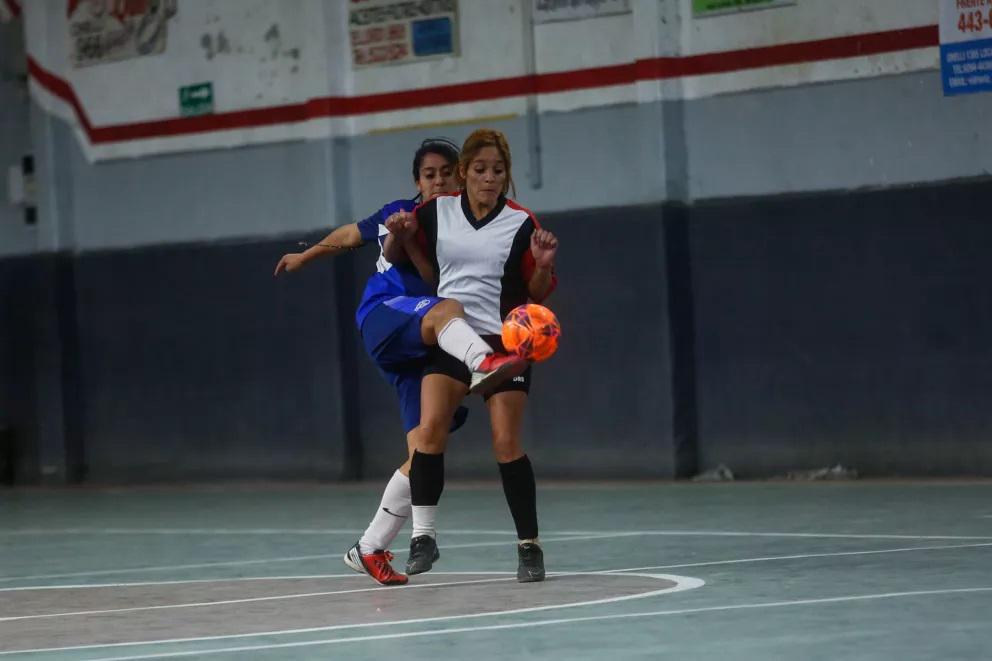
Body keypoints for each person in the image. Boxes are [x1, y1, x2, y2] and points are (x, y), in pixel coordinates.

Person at [274, 138, 525, 586]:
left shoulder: (458, 223)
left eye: (447, 174)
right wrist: (306, 256)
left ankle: (368, 547)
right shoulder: (402, 213)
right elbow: (352, 236)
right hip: (389, 316)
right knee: (448, 309)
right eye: (429, 175)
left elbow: (450, 273)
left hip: (427, 343)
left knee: (425, 451)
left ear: (461, 175)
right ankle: (484, 363)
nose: (439, 181)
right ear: (417, 182)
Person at [384, 128, 559, 583]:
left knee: (505, 441)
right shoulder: (435, 212)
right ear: (464, 173)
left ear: (506, 175)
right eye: (480, 170)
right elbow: (398, 254)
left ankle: (529, 546)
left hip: (503, 345)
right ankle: (423, 537)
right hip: (450, 337)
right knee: (429, 431)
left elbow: (536, 294)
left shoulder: (520, 223)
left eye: (497, 171)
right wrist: (397, 235)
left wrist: (542, 265)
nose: (489, 178)